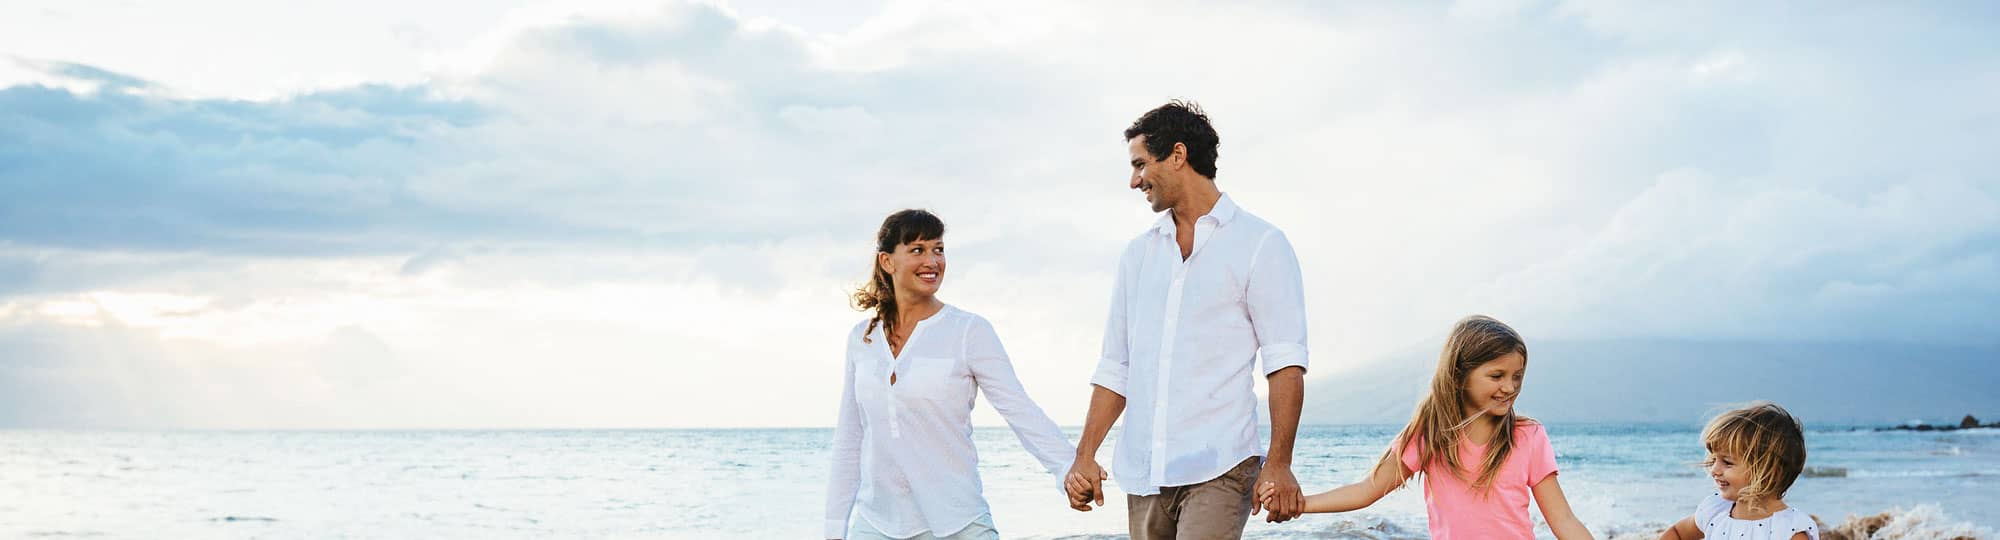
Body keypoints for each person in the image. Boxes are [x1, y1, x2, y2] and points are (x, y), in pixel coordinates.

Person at [1065, 100, 1313, 538]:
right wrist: (1085, 454)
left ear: (1177, 156)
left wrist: (1279, 463)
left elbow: (1284, 363)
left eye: (1141, 164)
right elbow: (1115, 366)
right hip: (1144, 471)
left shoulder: (1260, 245)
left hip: (1220, 465)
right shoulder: (1137, 256)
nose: (1134, 180)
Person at [825, 209, 1076, 540]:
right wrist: (833, 530)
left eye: (938, 249)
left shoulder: (968, 331)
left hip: (958, 523)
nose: (932, 261)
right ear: (888, 262)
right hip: (877, 524)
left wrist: (1068, 468)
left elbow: (1018, 409)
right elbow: (849, 438)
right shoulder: (862, 339)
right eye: (918, 250)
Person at [1261, 315, 1596, 540]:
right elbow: (1367, 490)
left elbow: (1563, 521)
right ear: (1460, 374)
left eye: (1517, 376)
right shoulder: (1430, 435)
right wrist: (1300, 504)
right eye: (1497, 376)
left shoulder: (1528, 436)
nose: (1510, 387)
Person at [1657, 402, 1819, 540]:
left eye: (1727, 462)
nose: (1714, 470)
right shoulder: (1716, 510)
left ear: (1770, 471)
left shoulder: (1788, 529)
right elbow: (1678, 533)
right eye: (1714, 460)